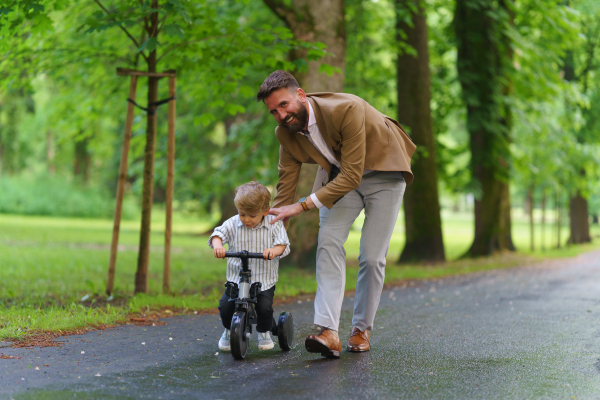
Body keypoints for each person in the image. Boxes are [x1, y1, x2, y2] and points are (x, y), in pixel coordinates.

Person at [257, 70, 416, 358]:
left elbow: (353, 175)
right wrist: (272, 234)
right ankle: (329, 332)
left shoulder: (346, 109)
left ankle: (360, 329)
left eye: (284, 105)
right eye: (273, 111)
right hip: (338, 177)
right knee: (328, 241)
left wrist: (303, 205)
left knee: (371, 256)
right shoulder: (286, 133)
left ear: (301, 95)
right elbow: (285, 189)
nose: (281, 115)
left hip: (384, 172)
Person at [208, 181, 291, 351]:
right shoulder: (233, 223)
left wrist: (274, 251)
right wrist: (218, 246)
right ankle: (229, 329)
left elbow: (282, 244)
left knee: (264, 307)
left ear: (265, 211)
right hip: (236, 278)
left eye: (252, 215)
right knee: (225, 306)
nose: (246, 219)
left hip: (263, 278)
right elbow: (218, 234)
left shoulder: (274, 224)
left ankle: (264, 331)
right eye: (242, 214)